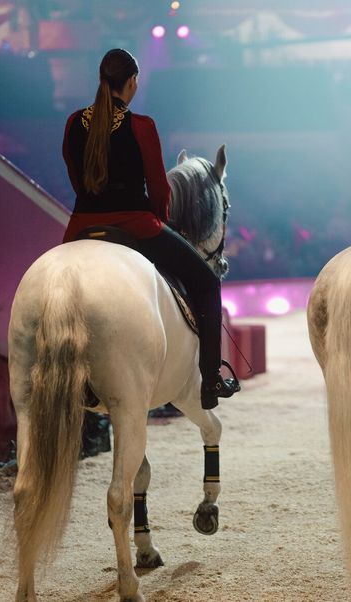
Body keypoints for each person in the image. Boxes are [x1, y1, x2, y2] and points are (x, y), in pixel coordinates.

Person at [61, 48, 239, 410]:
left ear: (101, 80)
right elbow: (159, 189)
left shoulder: (73, 122)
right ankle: (210, 380)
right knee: (207, 283)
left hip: (80, 227)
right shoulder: (142, 126)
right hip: (135, 226)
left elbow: (76, 179)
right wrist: (160, 218)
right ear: (131, 82)